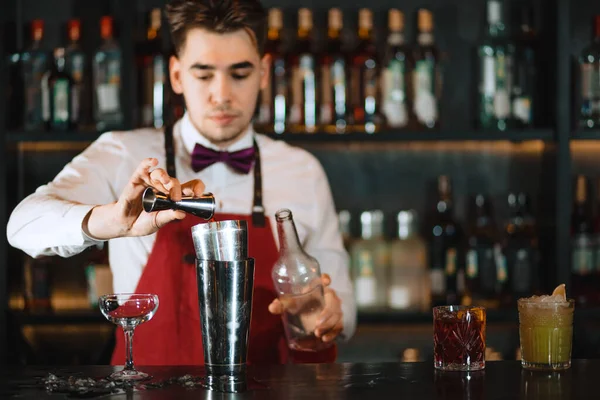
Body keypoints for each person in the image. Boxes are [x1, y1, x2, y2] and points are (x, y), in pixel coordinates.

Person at [6, 0, 356, 365]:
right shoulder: (123, 153)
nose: (221, 94)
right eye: (203, 74)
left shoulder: (302, 170)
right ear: (176, 75)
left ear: (265, 73)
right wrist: (114, 220)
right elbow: (22, 226)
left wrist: (330, 314)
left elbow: (343, 303)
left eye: (240, 74)